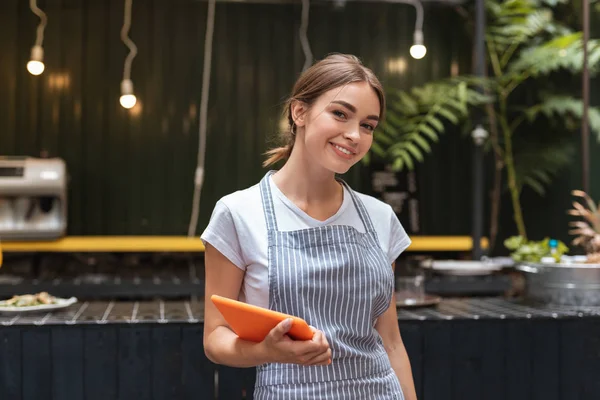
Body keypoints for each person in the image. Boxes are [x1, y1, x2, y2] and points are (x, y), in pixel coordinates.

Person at [201, 53, 417, 400]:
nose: (354, 135)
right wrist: (267, 351)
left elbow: (391, 342)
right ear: (299, 112)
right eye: (340, 114)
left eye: (368, 125)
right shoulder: (238, 213)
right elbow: (215, 338)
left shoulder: (380, 217)